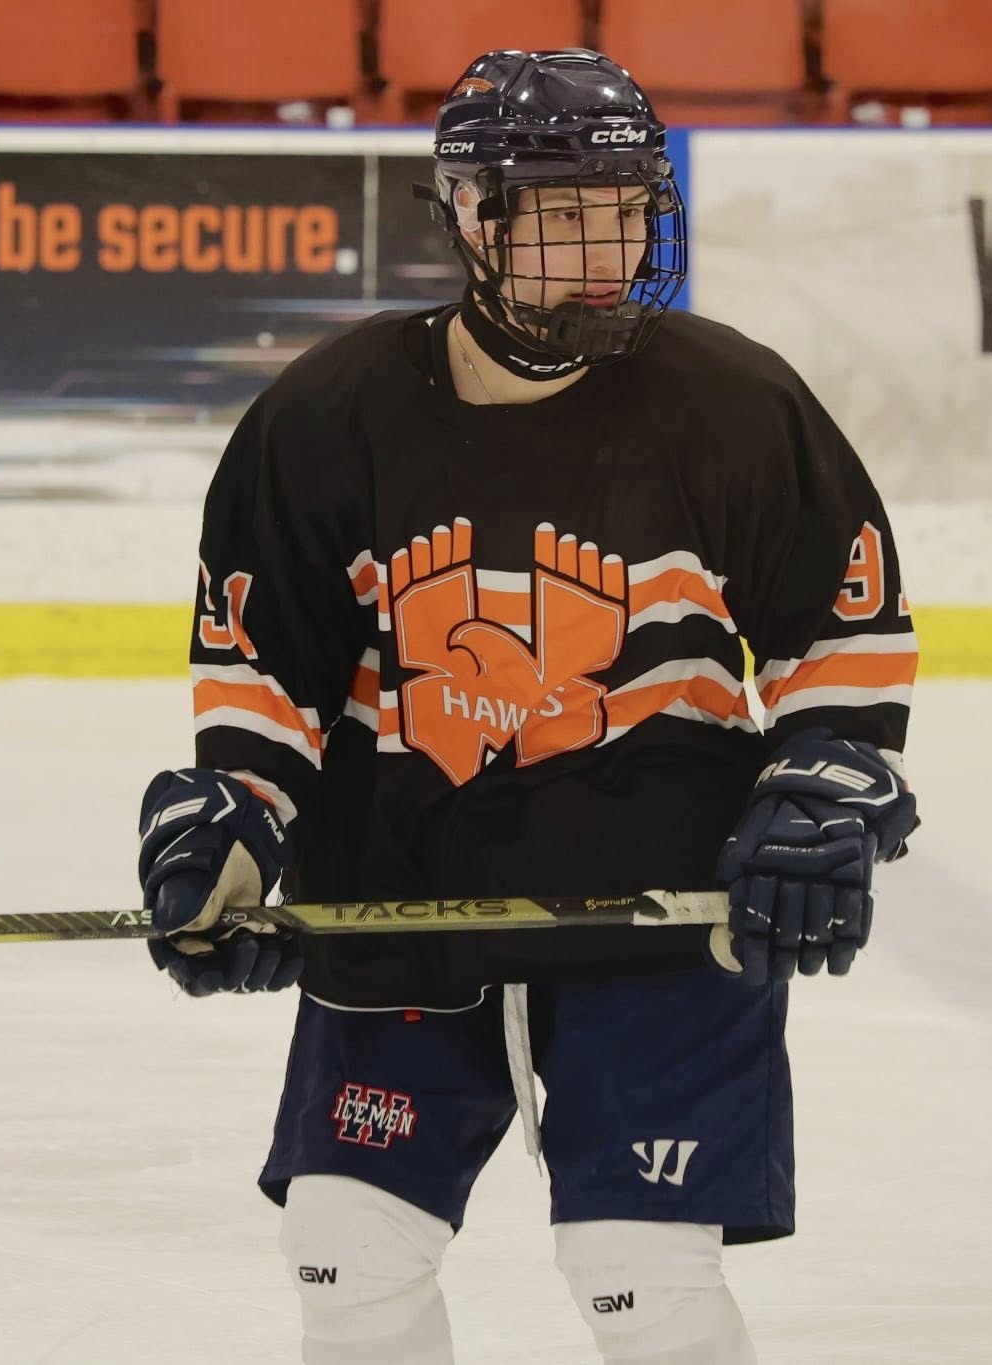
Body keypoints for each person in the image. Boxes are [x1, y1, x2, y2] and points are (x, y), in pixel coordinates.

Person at [135, 48, 919, 1365]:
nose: (608, 254)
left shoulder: (733, 405)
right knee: (344, 1251)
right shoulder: (324, 420)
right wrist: (237, 822)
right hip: (400, 893)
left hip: (656, 906)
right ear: (471, 215)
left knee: (638, 1275)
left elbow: (840, 633)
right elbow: (269, 673)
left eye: (627, 211)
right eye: (566, 217)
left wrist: (824, 788)